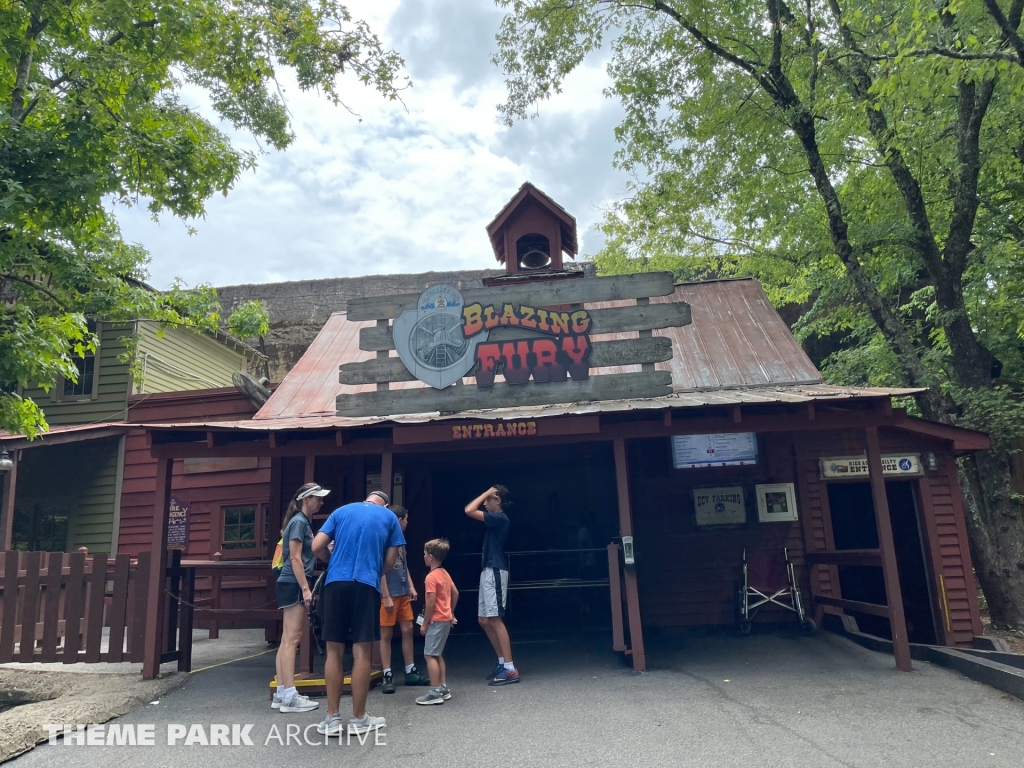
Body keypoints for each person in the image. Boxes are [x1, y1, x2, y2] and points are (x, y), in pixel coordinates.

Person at [312, 490, 404, 737]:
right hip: (366, 583)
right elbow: (390, 560)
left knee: (334, 649)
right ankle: (359, 717)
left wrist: (332, 561)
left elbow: (317, 546)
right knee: (362, 650)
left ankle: (332, 718)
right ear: (385, 505)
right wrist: (374, 571)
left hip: (335, 583)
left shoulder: (341, 511)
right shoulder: (389, 517)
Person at [273, 482, 330, 713]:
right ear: (306, 499)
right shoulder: (299, 522)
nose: (321, 502)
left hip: (290, 582)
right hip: (295, 582)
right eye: (318, 498)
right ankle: (290, 696)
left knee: (286, 639)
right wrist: (306, 589)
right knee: (293, 639)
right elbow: (295, 558)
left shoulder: (300, 521)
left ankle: (281, 693)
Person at [464, 485, 519, 685]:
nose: (485, 503)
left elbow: (469, 510)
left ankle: (510, 668)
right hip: (488, 570)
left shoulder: (500, 518)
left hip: (495, 570)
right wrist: (488, 493)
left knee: (495, 619)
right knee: (484, 620)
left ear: (498, 500)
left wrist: (486, 492)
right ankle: (502, 662)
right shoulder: (497, 519)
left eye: (489, 499)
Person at [379, 505, 430, 692]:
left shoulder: (400, 540)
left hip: (402, 591)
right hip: (389, 593)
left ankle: (410, 670)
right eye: (406, 519)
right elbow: (379, 569)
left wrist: (411, 586)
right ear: (399, 520)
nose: (408, 522)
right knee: (386, 634)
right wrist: (386, 596)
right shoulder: (383, 539)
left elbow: (404, 564)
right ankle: (387, 673)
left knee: (408, 629)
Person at [416, 538, 459, 705]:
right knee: (437, 653)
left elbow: (431, 602)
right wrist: (450, 611)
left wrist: (424, 623)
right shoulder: (445, 574)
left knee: (429, 655)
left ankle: (434, 692)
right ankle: (442, 687)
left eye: (424, 554)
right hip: (445, 619)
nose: (423, 557)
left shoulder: (431, 577)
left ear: (431, 557)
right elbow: (455, 593)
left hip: (435, 620)